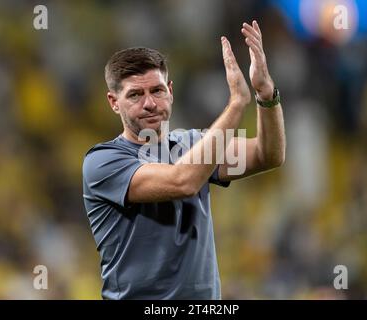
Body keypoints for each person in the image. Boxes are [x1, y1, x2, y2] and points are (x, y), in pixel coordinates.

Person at [82, 20, 286, 299]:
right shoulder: (103, 162)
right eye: (135, 95)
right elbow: (184, 181)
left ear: (171, 91)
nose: (150, 103)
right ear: (113, 102)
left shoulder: (193, 145)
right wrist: (237, 102)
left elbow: (268, 155)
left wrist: (265, 94)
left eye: (157, 90)